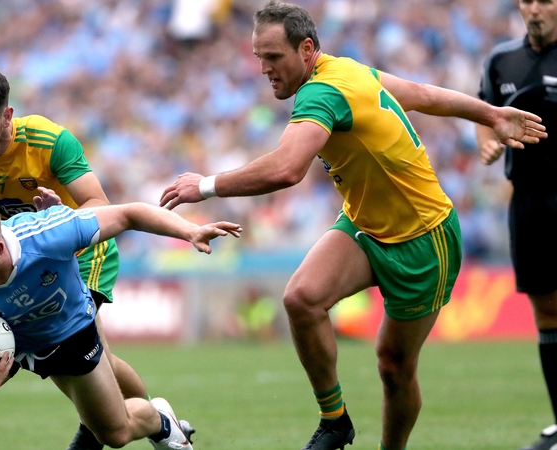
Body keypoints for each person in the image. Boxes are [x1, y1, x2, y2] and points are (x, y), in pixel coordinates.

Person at [159, 2, 547, 449]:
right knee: (302, 299)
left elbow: (287, 168)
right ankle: (335, 421)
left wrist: (205, 185)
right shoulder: (347, 70)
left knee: (394, 366)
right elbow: (420, 93)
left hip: (423, 238)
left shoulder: (323, 91)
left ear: (307, 49)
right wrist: (491, 114)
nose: (263, 69)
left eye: (273, 57)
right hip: (365, 226)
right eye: (258, 56)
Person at [0, 196, 241, 450]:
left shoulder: (50, 234)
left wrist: (190, 230)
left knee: (115, 433)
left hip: (65, 331)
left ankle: (161, 421)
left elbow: (130, 213)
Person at [0, 59, 149, 450]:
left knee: (88, 354)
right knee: (91, 362)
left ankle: (137, 421)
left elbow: (98, 204)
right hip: (8, 264)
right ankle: (149, 421)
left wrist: (55, 219)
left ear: (7, 115)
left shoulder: (49, 141)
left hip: (76, 252)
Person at [475, 1, 557, 449]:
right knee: (546, 313)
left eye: (544, 0)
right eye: (527, 0)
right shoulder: (501, 60)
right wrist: (487, 142)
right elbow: (483, 113)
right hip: (527, 200)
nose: (534, 9)